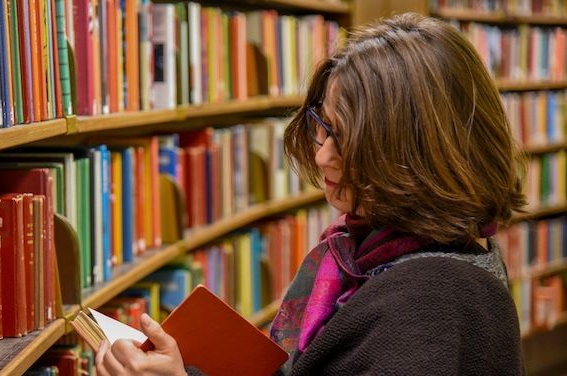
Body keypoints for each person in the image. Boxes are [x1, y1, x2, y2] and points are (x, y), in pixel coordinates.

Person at [95, 12, 525, 375]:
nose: (323, 158)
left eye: (349, 138)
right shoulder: (367, 251)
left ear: (415, 150)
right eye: (326, 128)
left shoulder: (431, 305)